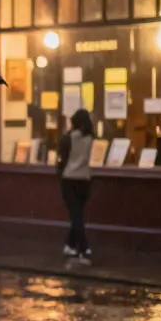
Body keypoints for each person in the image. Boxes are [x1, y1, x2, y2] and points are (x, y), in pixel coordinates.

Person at [57, 108, 94, 264]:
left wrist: (59, 176)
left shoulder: (68, 138)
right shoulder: (91, 137)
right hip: (85, 179)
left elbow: (61, 160)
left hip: (69, 179)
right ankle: (70, 245)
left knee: (75, 215)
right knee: (77, 213)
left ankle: (83, 247)